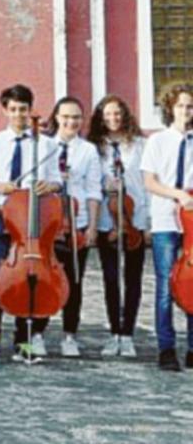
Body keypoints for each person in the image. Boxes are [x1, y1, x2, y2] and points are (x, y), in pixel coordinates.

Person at [0, 83, 61, 366]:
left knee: (30, 279)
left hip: (34, 219)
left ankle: (23, 340)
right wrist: (0, 186)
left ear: (30, 110)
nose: (18, 115)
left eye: (23, 109)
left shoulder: (46, 144)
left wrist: (50, 185)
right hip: (7, 217)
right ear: (5, 111)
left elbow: (57, 180)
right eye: (13, 109)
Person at [32, 97, 100, 358]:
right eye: (66, 117)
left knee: (73, 281)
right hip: (48, 224)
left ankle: (69, 335)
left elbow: (93, 190)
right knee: (45, 280)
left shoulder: (88, 150)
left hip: (76, 222)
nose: (71, 122)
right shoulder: (44, 146)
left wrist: (92, 226)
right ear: (57, 118)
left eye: (76, 117)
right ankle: (37, 333)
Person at [90, 94, 147, 357]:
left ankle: (128, 335)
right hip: (107, 220)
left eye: (117, 113)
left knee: (133, 278)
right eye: (107, 115)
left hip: (134, 219)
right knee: (111, 278)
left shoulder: (140, 145)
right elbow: (90, 181)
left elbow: (147, 183)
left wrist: (147, 222)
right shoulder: (94, 147)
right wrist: (106, 185)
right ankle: (114, 332)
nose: (113, 118)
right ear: (101, 119)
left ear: (125, 114)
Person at [142, 81, 193, 372]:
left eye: (190, 106)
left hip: (192, 220)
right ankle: (166, 347)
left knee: (192, 282)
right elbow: (150, 182)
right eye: (180, 106)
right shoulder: (158, 141)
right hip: (165, 219)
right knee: (165, 285)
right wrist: (177, 195)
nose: (185, 111)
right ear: (170, 109)